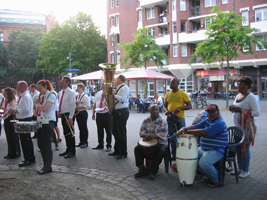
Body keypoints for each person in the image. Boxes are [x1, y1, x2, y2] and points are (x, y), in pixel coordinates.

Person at [177, 104, 228, 188]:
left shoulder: (220, 123)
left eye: (213, 112)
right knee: (192, 158)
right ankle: (208, 175)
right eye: (209, 112)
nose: (210, 114)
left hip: (217, 150)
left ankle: (217, 178)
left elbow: (204, 132)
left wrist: (187, 131)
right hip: (204, 148)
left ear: (218, 112)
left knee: (203, 163)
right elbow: (196, 126)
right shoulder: (208, 120)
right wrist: (185, 128)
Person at [229, 76, 260, 178]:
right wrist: (232, 109)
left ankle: (245, 170)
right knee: (238, 148)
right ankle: (240, 168)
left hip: (247, 128)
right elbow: (237, 108)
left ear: (247, 86)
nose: (238, 87)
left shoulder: (251, 97)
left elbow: (257, 112)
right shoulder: (238, 96)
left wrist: (241, 111)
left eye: (241, 85)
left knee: (245, 148)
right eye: (238, 84)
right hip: (237, 128)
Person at [134, 104, 168, 180]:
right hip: (148, 141)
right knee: (137, 148)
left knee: (162, 150)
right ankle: (141, 168)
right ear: (150, 111)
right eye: (153, 109)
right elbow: (141, 132)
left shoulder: (162, 120)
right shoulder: (146, 120)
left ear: (159, 111)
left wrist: (151, 136)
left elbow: (163, 134)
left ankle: (153, 170)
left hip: (160, 142)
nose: (155, 111)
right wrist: (146, 135)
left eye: (157, 110)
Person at [163, 77, 192, 160]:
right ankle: (174, 155)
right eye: (170, 83)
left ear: (177, 84)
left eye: (172, 83)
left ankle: (184, 153)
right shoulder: (168, 94)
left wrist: (180, 108)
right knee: (172, 136)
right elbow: (164, 105)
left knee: (182, 136)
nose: (170, 84)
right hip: (170, 118)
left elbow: (189, 106)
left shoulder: (183, 93)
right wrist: (166, 111)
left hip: (180, 118)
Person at [8, 81, 35, 167]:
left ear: (22, 87)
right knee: (24, 140)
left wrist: (16, 110)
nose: (16, 87)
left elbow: (26, 109)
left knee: (26, 140)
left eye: (18, 86)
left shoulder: (26, 97)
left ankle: (29, 158)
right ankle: (28, 157)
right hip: (23, 119)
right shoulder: (24, 96)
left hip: (25, 119)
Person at [35, 80, 57, 175]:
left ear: (45, 86)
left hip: (48, 121)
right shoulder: (41, 96)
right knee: (40, 143)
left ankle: (48, 166)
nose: (39, 90)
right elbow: (38, 109)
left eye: (40, 88)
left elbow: (44, 108)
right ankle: (45, 164)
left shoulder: (51, 95)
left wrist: (38, 104)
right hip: (41, 121)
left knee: (46, 144)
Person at [109, 75, 130, 159]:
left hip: (122, 111)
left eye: (116, 79)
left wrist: (113, 95)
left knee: (121, 132)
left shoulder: (125, 88)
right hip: (116, 111)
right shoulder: (118, 88)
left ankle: (123, 152)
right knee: (115, 131)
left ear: (119, 79)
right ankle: (117, 149)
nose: (115, 80)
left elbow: (124, 99)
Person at [57, 76, 76, 159]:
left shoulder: (70, 92)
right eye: (61, 81)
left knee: (70, 133)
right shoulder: (61, 92)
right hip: (63, 114)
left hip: (68, 114)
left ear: (68, 83)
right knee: (66, 133)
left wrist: (71, 117)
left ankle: (72, 151)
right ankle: (68, 149)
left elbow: (72, 105)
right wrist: (59, 111)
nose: (61, 82)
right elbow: (60, 103)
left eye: (63, 81)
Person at [0, 87, 20, 159]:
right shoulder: (5, 100)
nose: (4, 95)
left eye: (5, 93)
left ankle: (14, 152)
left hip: (10, 118)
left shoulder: (12, 100)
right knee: (8, 136)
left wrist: (3, 108)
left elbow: (11, 110)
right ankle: (10, 152)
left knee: (12, 136)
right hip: (6, 118)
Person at [92, 82, 112, 152]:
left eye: (104, 85)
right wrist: (93, 113)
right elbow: (95, 103)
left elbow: (111, 103)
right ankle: (100, 144)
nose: (103, 86)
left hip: (106, 113)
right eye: (102, 84)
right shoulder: (98, 93)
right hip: (99, 113)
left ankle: (109, 145)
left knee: (108, 130)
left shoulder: (110, 93)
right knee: (99, 130)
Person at [75, 83, 90, 148]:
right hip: (78, 113)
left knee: (84, 127)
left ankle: (85, 142)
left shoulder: (85, 96)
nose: (77, 89)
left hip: (83, 113)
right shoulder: (78, 96)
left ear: (82, 89)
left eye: (78, 88)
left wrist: (80, 107)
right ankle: (81, 141)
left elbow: (88, 106)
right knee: (80, 128)